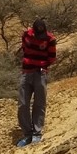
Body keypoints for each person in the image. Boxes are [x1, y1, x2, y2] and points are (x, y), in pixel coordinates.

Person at [16, 17, 57, 146]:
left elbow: (52, 57)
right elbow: (24, 49)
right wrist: (29, 62)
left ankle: (37, 132)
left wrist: (42, 65)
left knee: (39, 103)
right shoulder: (26, 35)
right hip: (26, 73)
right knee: (23, 104)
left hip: (40, 73)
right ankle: (27, 133)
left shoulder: (50, 39)